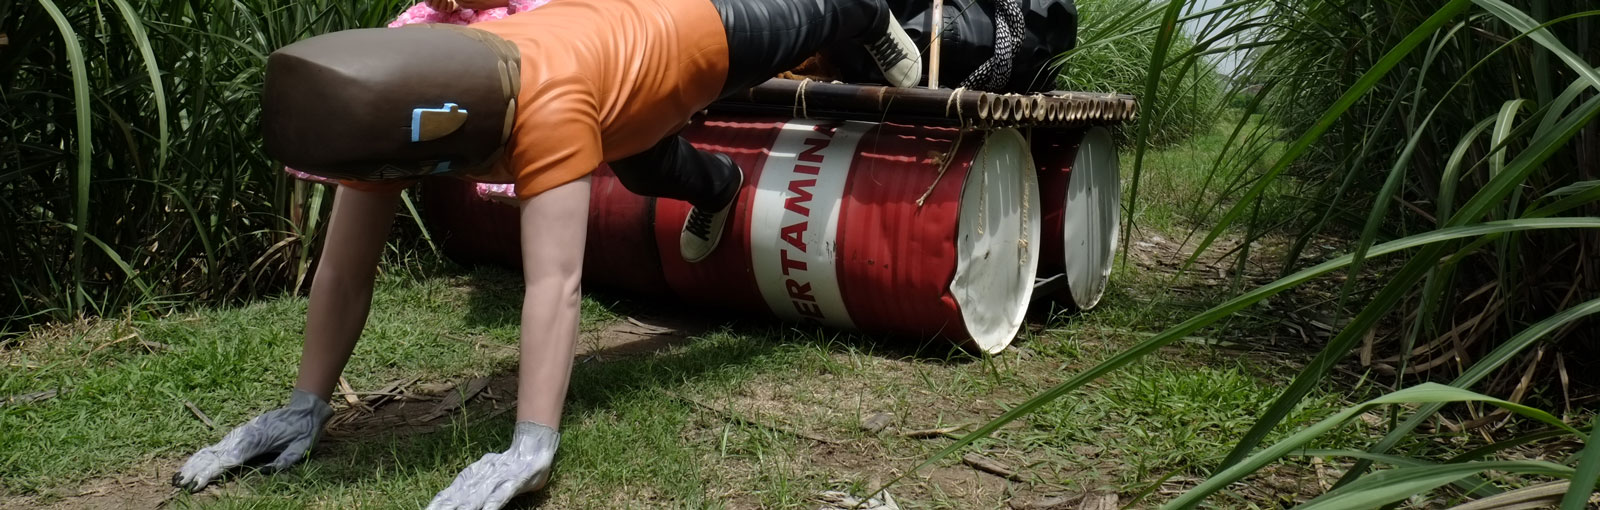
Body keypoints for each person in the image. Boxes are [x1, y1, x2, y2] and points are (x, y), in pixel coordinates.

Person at [169, 0, 923, 508]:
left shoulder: (546, 108)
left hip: (680, 29)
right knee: (642, 159)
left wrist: (530, 445)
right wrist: (304, 406)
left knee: (808, 16)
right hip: (608, 76)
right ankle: (720, 185)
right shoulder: (394, 111)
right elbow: (342, 269)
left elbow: (555, 283)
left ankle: (867, 10)